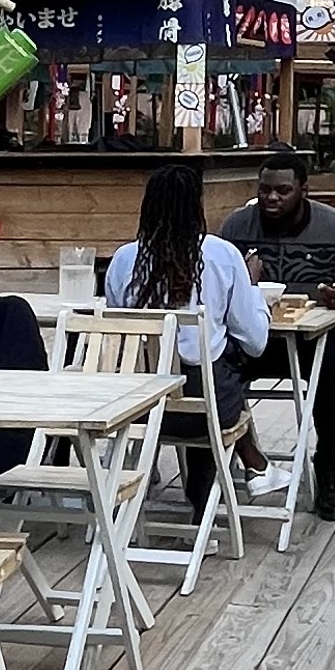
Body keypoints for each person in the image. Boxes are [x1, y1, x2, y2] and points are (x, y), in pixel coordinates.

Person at [217, 147, 335, 525]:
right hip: (250, 339)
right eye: (265, 190)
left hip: (312, 339)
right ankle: (231, 462)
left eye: (283, 190)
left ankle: (329, 470)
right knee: (208, 360)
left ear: (304, 191)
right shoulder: (237, 226)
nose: (272, 198)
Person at [104, 160, 271, 513]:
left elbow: (118, 330)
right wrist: (254, 288)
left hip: (139, 407)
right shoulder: (222, 255)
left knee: (201, 377)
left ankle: (243, 470)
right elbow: (255, 342)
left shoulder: (124, 260)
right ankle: (208, 498)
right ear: (198, 206)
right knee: (219, 373)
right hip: (206, 410)